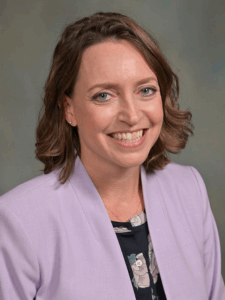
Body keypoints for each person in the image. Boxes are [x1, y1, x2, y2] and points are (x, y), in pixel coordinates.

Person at [0, 11, 224, 300]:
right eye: (104, 95)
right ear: (69, 108)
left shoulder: (189, 190)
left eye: (146, 90)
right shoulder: (18, 221)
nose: (132, 116)